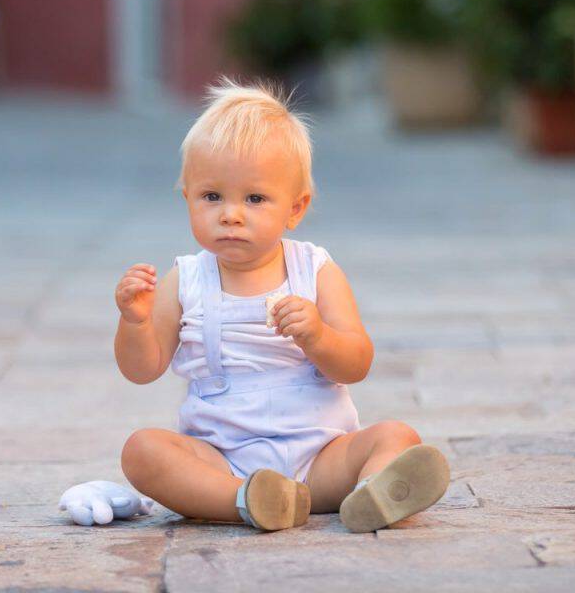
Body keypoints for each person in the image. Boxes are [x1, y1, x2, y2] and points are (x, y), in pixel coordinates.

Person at [113, 77, 450, 532]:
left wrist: (318, 336)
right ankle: (245, 501)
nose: (231, 214)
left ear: (295, 208)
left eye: (254, 198)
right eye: (212, 196)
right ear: (187, 198)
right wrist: (134, 322)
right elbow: (142, 368)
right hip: (223, 460)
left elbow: (356, 363)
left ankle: (372, 492)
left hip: (321, 458)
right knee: (142, 451)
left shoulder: (316, 270)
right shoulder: (185, 279)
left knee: (396, 436)